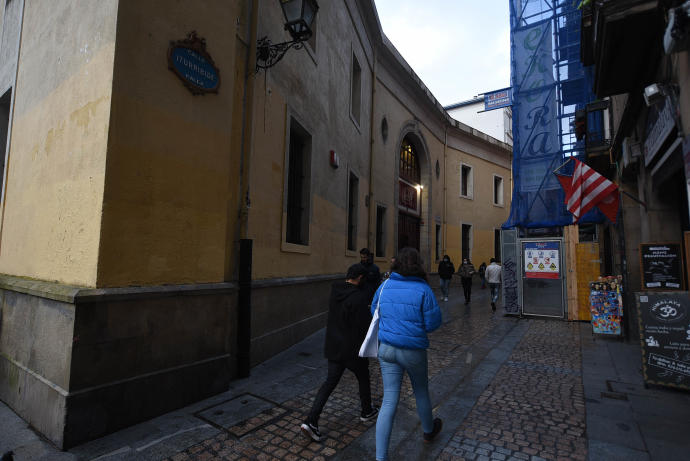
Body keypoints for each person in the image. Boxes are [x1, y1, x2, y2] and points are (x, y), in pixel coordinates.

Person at [372, 247, 443, 461]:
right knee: (420, 390)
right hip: (412, 350)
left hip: (386, 349)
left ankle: (381, 457)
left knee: (389, 399)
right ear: (417, 265)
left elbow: (374, 311)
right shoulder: (423, 290)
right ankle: (429, 431)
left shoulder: (384, 286)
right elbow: (433, 323)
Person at [300, 263, 379, 442]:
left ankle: (311, 420)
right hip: (351, 349)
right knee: (363, 376)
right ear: (360, 278)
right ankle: (366, 410)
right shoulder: (358, 297)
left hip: (334, 346)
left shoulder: (336, 291)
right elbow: (364, 325)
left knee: (330, 382)